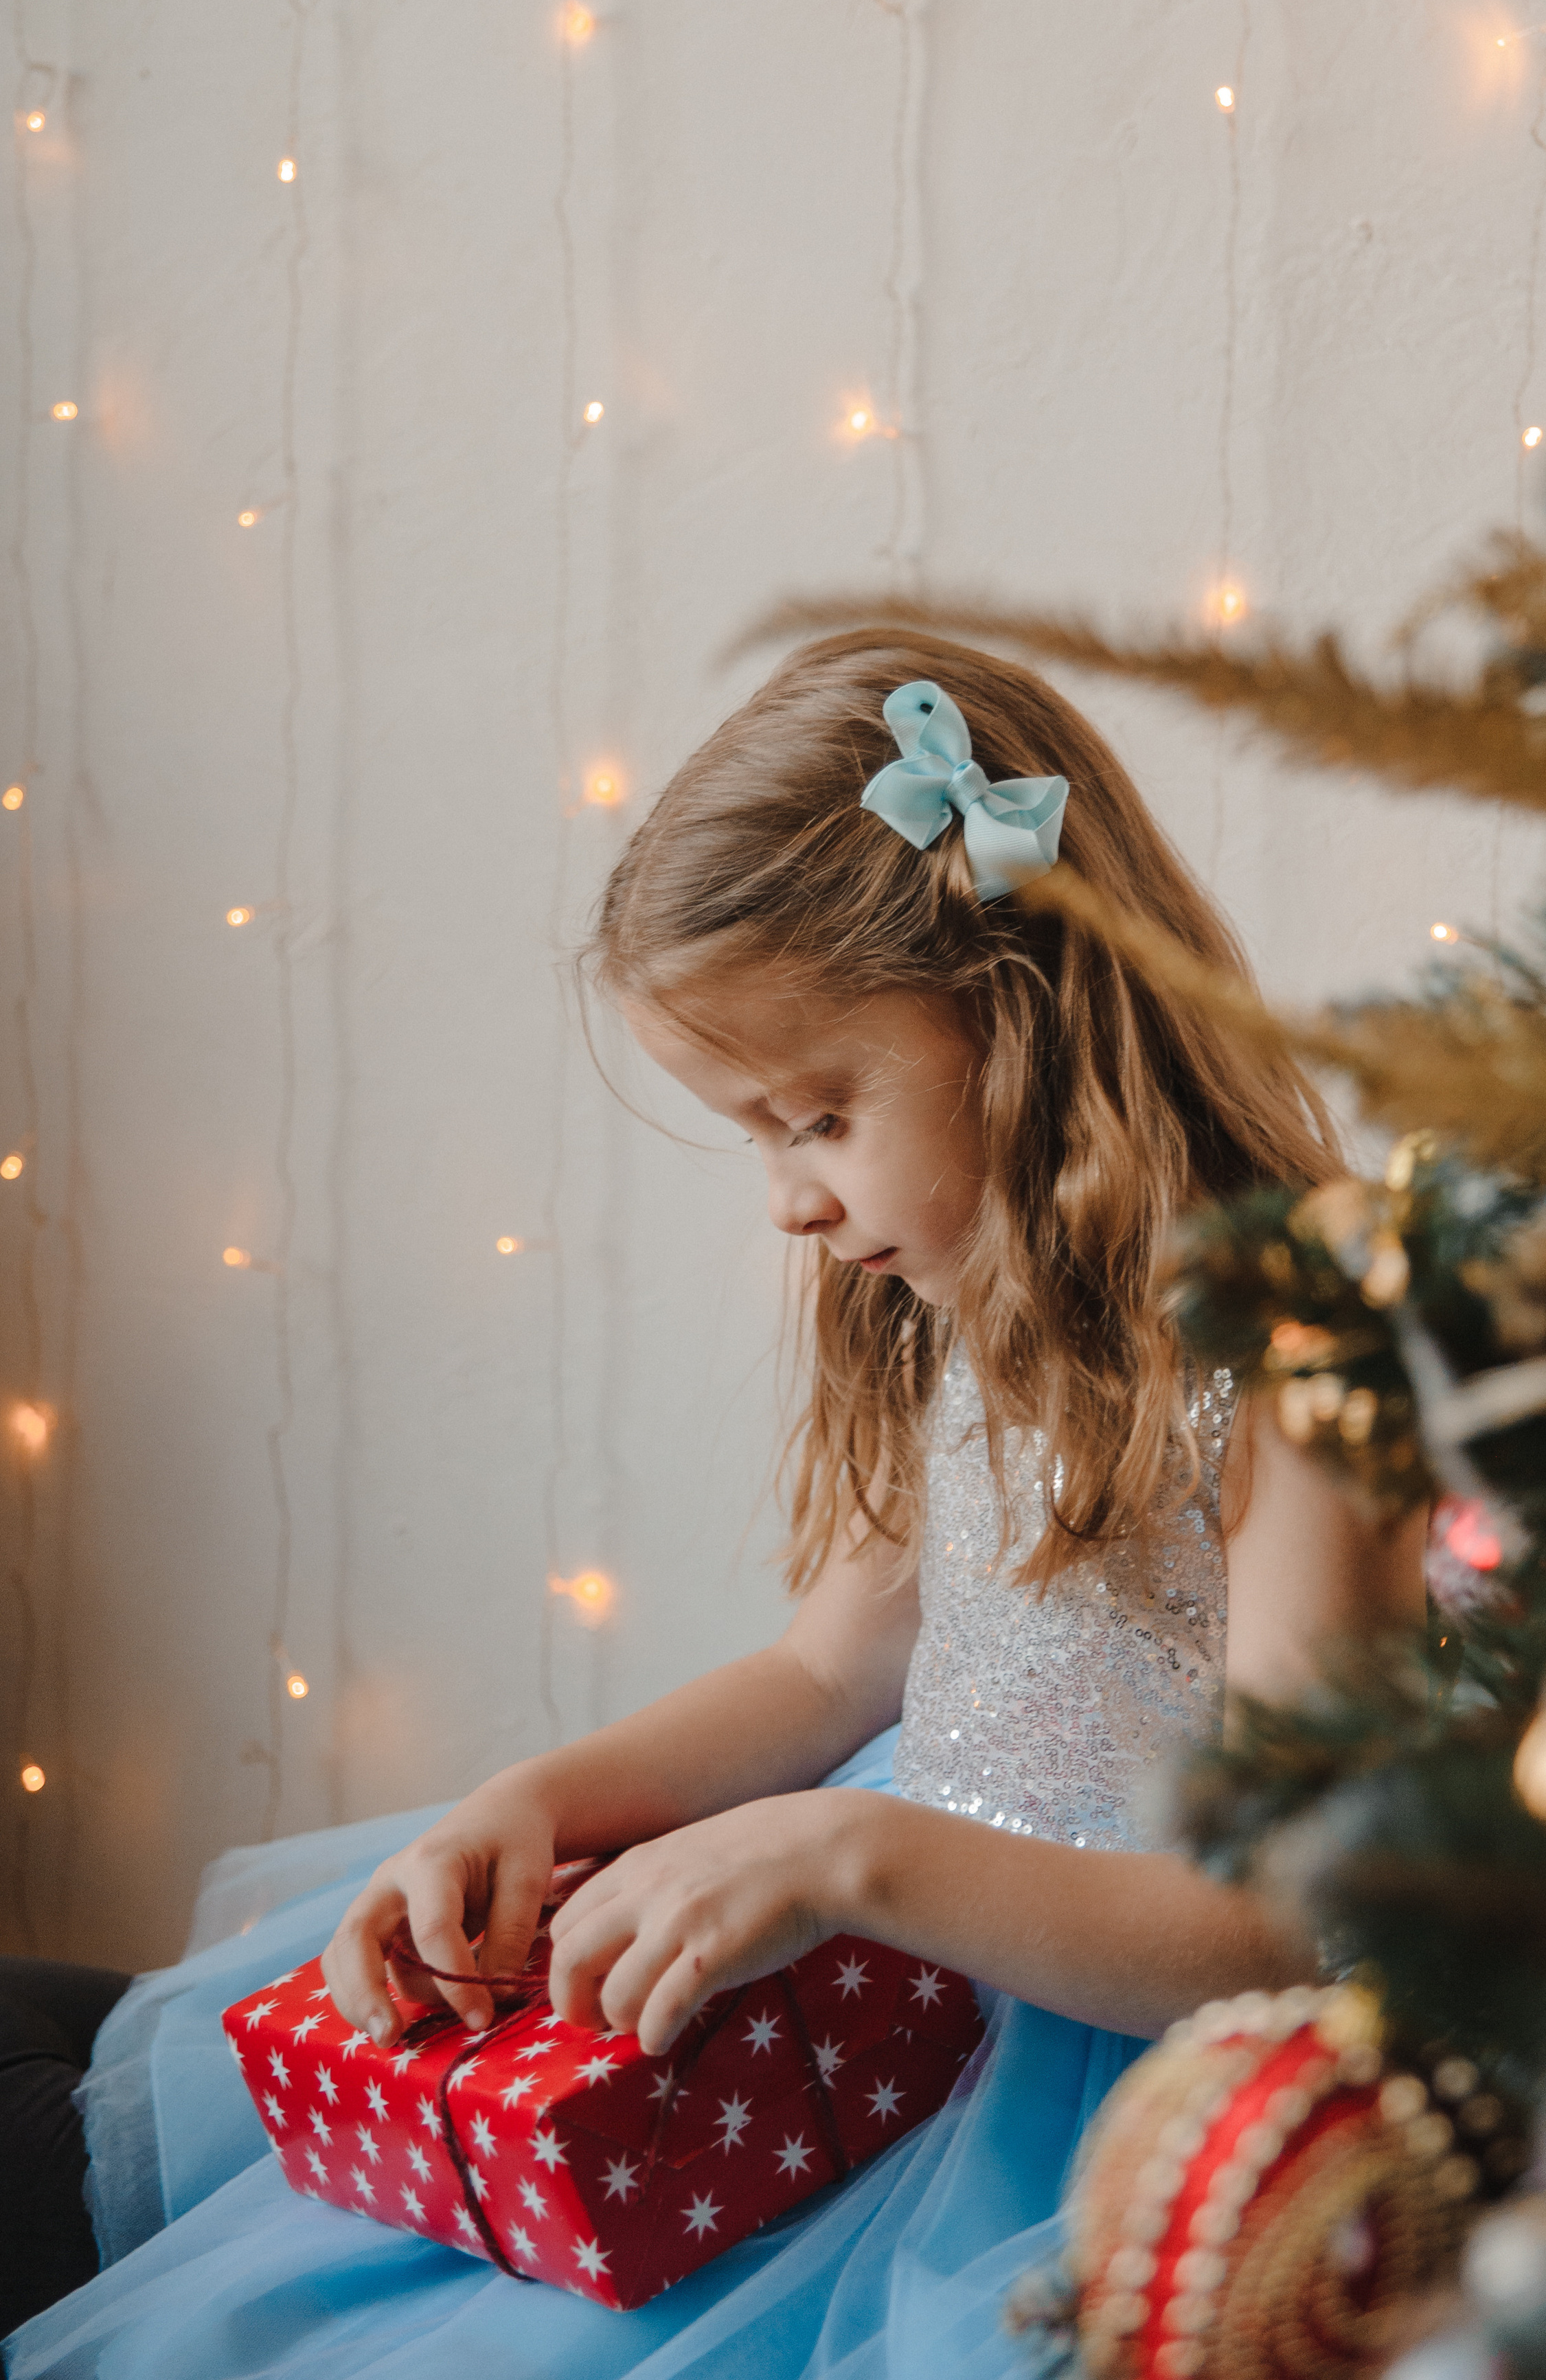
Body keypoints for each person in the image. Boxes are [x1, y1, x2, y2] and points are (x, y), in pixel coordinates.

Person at [5, 633, 1424, 2380]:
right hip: (883, 1984)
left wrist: (848, 1854)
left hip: (1112, 2092)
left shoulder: (1296, 1365)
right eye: (751, 1132)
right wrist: (531, 1797)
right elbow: (828, 1678)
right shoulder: (959, 1303)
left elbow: (1290, 1930)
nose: (784, 1201)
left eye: (817, 1116)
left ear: (1025, 1002)